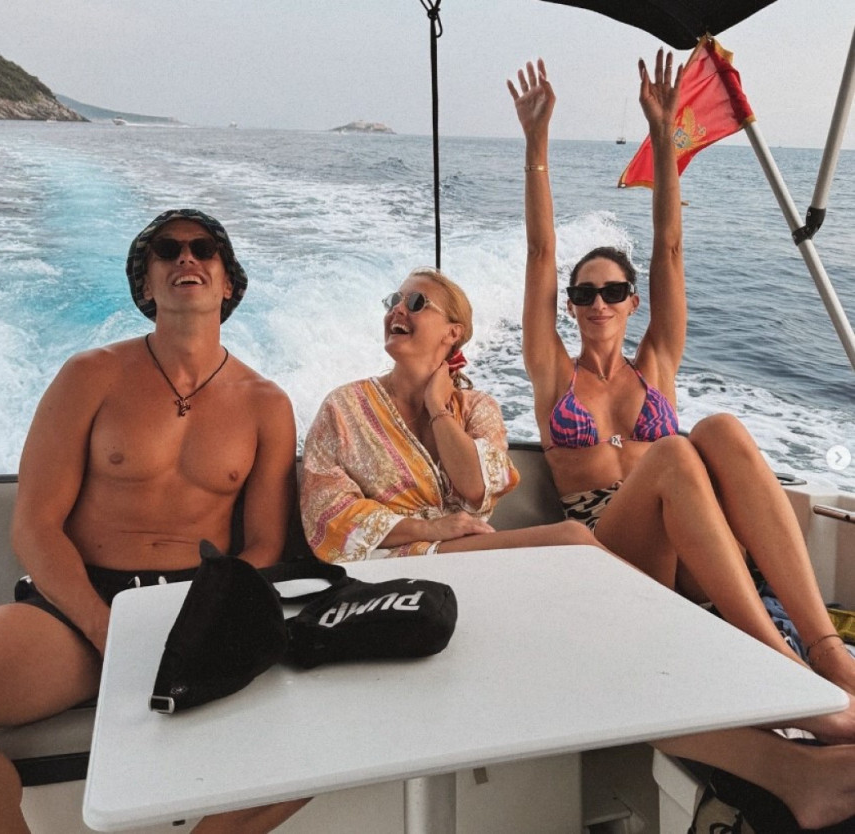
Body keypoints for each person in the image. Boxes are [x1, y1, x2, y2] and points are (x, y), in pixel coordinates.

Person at [509, 52, 855, 827]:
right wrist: (537, 146)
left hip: (692, 559)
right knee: (673, 452)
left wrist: (665, 138)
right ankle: (784, 671)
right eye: (585, 293)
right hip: (611, 552)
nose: (598, 302)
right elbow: (538, 254)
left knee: (719, 429)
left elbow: (669, 246)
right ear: (571, 305)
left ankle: (824, 651)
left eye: (613, 291)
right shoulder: (554, 375)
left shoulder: (656, 365)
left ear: (633, 303)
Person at [0, 209, 305, 833]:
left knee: (320, 747)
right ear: (146, 284)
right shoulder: (90, 375)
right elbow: (34, 525)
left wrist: (200, 620)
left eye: (203, 249)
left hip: (196, 604)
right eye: (166, 250)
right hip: (75, 608)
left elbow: (263, 545)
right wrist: (103, 626)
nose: (185, 258)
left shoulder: (267, 405)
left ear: (228, 281)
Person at [301, 266, 597, 562]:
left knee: (576, 539)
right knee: (572, 537)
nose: (398, 310)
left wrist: (436, 407)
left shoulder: (477, 408)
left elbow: (476, 488)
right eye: (393, 301)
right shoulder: (343, 407)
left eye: (416, 302)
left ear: (453, 332)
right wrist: (429, 529)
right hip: (385, 564)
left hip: (459, 560)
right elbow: (327, 511)